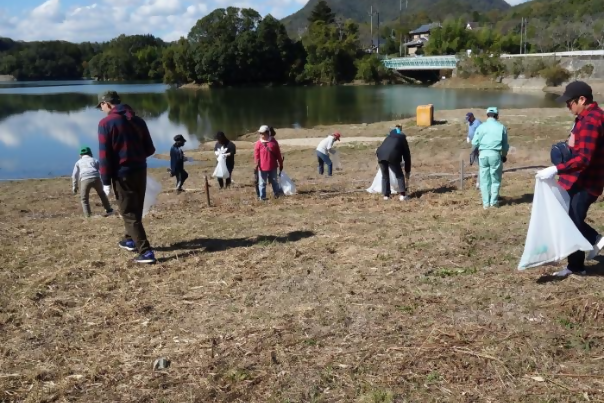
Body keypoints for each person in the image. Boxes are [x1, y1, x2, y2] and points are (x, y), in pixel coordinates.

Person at [535, 81, 604, 277]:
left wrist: (556, 168)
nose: (568, 106)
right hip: (580, 179)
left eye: (570, 102)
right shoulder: (586, 118)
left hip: (587, 181)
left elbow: (584, 158)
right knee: (571, 219)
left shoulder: (591, 121)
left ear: (582, 100)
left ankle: (595, 239)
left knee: (572, 221)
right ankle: (576, 266)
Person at [97, 90, 157, 264]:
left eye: (101, 106)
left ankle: (146, 252)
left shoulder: (106, 123)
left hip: (123, 174)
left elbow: (104, 155)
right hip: (140, 170)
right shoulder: (138, 120)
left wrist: (105, 180)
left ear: (106, 103)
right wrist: (135, 155)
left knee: (129, 213)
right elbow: (150, 149)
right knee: (135, 207)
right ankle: (129, 239)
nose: (101, 110)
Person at [472, 107, 509, 209]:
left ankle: (485, 204)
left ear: (487, 115)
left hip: (483, 154)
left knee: (484, 180)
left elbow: (474, 142)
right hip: (495, 154)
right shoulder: (501, 127)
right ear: (497, 115)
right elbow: (505, 145)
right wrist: (504, 155)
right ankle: (494, 202)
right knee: (495, 180)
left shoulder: (481, 127)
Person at [72, 146, 113, 218]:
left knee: (84, 198)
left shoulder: (78, 162)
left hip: (85, 179)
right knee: (102, 194)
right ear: (90, 153)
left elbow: (75, 175)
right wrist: (104, 180)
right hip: (96, 178)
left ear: (80, 155)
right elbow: (101, 170)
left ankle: (88, 215)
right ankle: (109, 210)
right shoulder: (95, 160)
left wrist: (74, 186)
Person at [375, 128, 411, 201]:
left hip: (380, 155)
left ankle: (386, 196)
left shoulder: (388, 137)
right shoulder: (402, 139)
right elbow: (407, 156)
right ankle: (403, 195)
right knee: (399, 175)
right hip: (392, 156)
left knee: (385, 176)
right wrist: (407, 171)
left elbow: (381, 148)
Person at [254, 125, 284, 200]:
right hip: (262, 167)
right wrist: (256, 165)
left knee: (274, 181)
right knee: (262, 183)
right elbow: (256, 156)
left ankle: (276, 194)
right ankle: (262, 197)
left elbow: (278, 154)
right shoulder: (258, 143)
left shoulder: (273, 142)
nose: (261, 135)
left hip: (273, 166)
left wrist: (281, 163)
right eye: (260, 133)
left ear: (267, 133)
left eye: (263, 133)